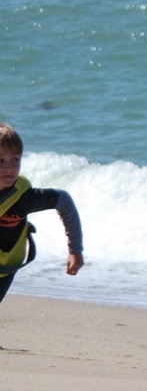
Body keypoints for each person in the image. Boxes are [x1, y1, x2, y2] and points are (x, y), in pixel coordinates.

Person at [0, 122, 85, 305]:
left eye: (15, 159)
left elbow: (63, 200)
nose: (9, 168)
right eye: (1, 160)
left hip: (4, 270)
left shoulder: (23, 197)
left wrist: (75, 249)